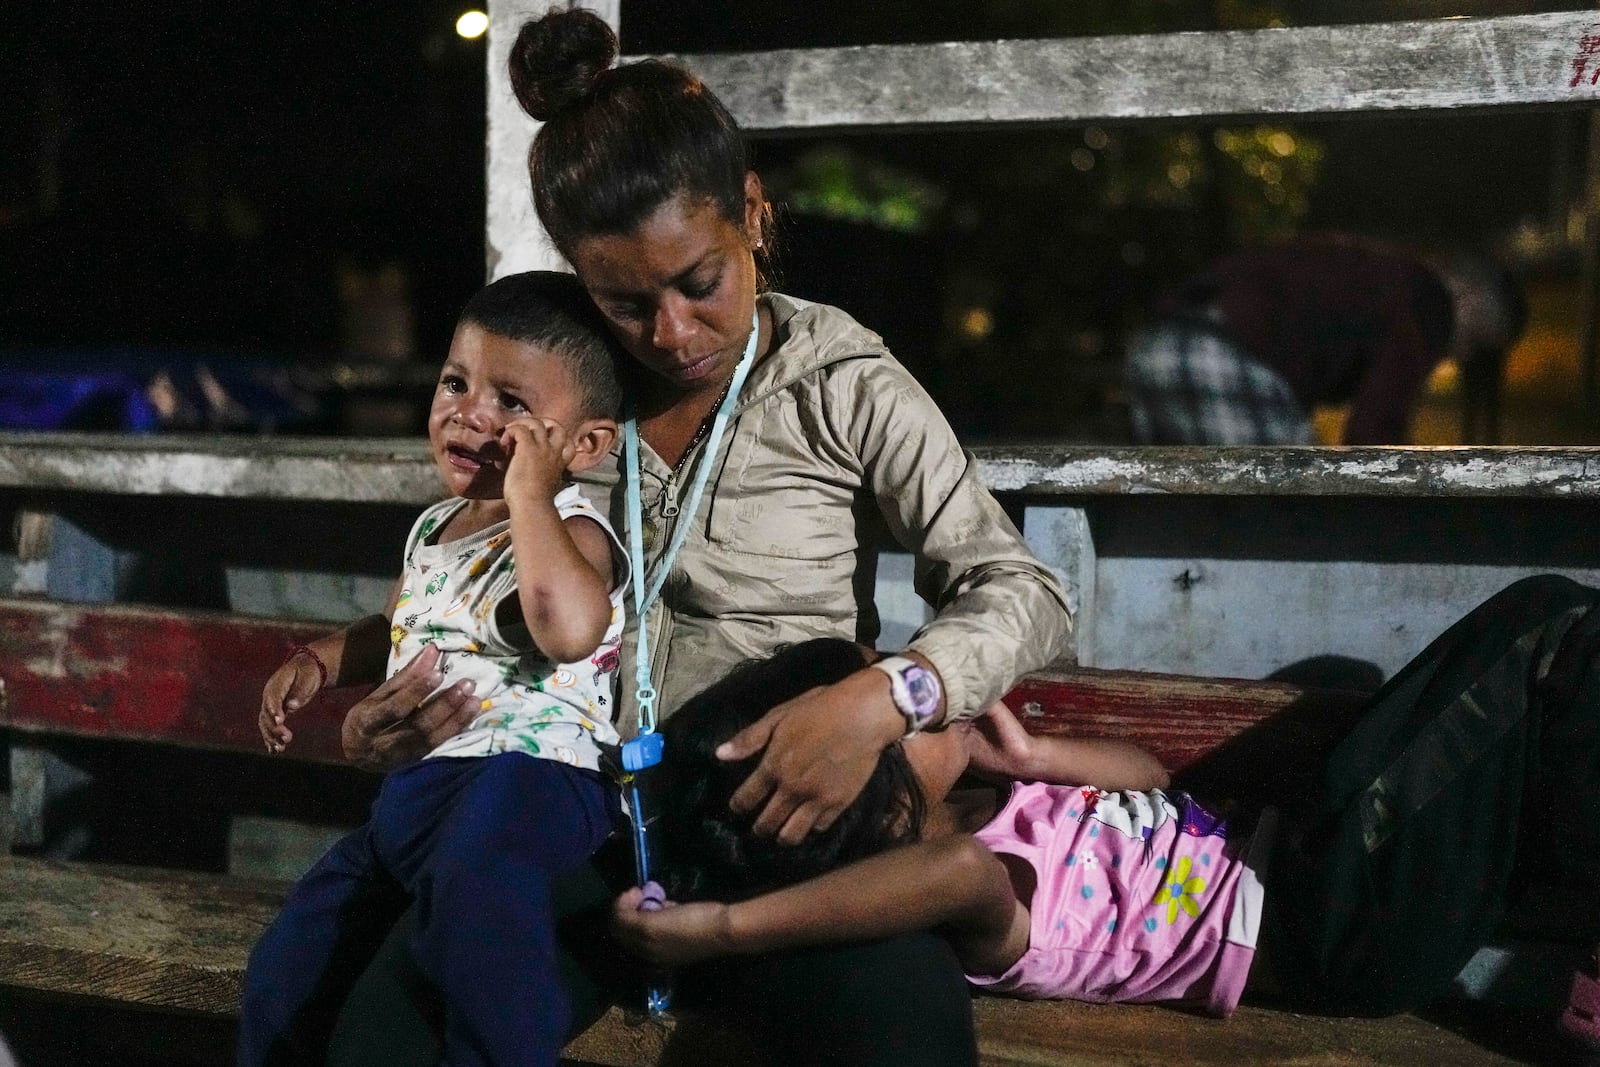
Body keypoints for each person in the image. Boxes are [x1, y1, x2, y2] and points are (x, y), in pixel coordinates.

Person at [320, 8, 1072, 1067]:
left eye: (698, 282)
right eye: (623, 300)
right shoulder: (565, 394)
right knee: (384, 1029)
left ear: (752, 215)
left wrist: (880, 697)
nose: (670, 335)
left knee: (906, 1029)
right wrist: (391, 725)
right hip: (571, 817)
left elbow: (1022, 589)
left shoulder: (841, 383)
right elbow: (462, 587)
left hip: (774, 828)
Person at [615, 578, 1600, 1061]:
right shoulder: (969, 887)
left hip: (1312, 867)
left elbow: (1150, 781)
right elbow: (954, 875)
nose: (917, 697)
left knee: (1535, 639)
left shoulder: (1001, 802)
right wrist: (722, 927)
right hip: (1329, 926)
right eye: (894, 718)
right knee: (1546, 627)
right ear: (867, 806)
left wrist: (1041, 759)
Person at [238, 271, 630, 1067]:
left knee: (479, 918)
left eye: (513, 404)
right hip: (417, 798)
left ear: (584, 445)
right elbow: (401, 628)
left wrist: (532, 495)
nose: (469, 411)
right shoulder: (433, 527)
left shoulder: (573, 532)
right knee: (292, 955)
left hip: (529, 786)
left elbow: (569, 626)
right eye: (456, 381)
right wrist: (321, 661)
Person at [1124, 235, 1528, 445]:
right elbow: (1375, 433)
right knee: (1294, 510)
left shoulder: (1379, 273)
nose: (1459, 354)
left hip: (1159, 344)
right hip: (1220, 356)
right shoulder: (1427, 300)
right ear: (1466, 295)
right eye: (1472, 340)